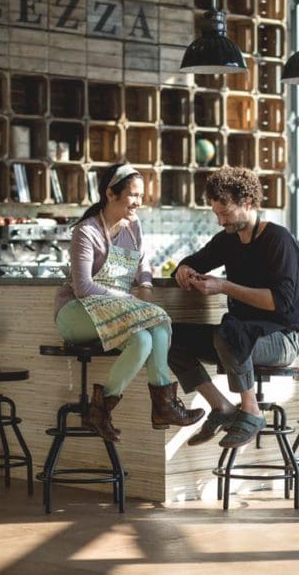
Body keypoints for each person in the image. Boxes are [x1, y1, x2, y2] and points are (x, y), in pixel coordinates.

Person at [53, 163, 203, 442]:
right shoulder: (86, 232)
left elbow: (143, 262)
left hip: (117, 311)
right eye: (133, 195)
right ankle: (156, 405)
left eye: (141, 196)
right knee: (156, 319)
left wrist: (145, 283)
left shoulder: (133, 227)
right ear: (111, 193)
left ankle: (148, 407)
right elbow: (83, 288)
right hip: (76, 313)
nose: (138, 202)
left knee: (148, 338)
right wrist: (131, 300)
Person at [168, 166, 299, 449]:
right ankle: (222, 408)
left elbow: (281, 302)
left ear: (248, 202)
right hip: (236, 338)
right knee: (168, 336)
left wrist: (225, 286)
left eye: (226, 213)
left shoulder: (277, 240)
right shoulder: (227, 240)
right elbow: (194, 261)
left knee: (230, 329)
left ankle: (251, 411)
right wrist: (184, 270)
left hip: (281, 339)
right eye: (216, 214)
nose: (220, 221)